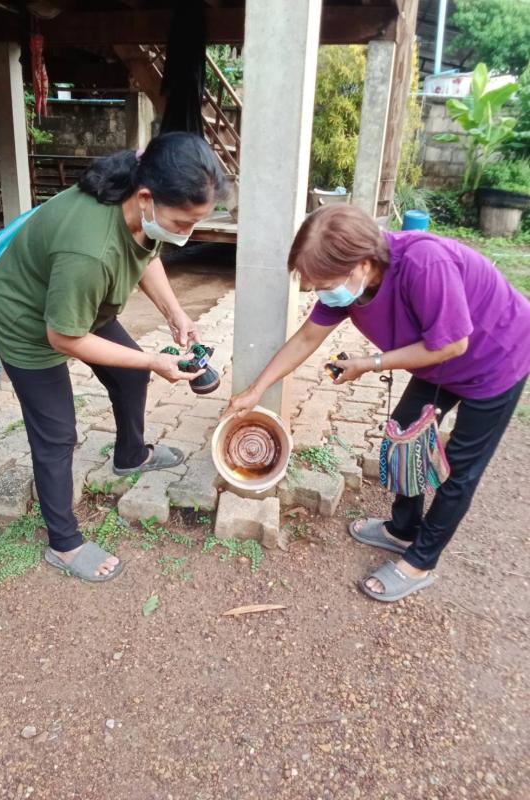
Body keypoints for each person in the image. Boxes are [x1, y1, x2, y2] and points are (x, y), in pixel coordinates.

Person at [226, 204, 530, 602]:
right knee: (402, 438)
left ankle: (420, 561)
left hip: (496, 359)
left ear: (364, 264)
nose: (322, 293)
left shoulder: (424, 264)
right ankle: (402, 530)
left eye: (324, 283)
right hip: (436, 362)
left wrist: (370, 364)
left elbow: (453, 344)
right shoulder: (348, 284)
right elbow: (306, 339)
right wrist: (256, 389)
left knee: (459, 470)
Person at [0, 132, 226, 582]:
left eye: (195, 223)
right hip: (26, 319)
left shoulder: (135, 201)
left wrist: (175, 313)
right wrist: (152, 360)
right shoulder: (89, 252)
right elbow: (64, 337)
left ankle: (130, 455)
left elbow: (145, 252)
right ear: (146, 198)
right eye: (181, 222)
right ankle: (64, 543)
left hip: (75, 304)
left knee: (128, 377)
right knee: (56, 435)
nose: (186, 234)